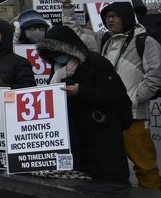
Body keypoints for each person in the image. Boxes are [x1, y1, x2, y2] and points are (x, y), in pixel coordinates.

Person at [36, 25, 132, 184]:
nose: (57, 57)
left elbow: (114, 96)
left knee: (111, 185)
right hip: (77, 137)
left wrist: (82, 92)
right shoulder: (58, 69)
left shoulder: (97, 63)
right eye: (52, 54)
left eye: (60, 53)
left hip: (102, 138)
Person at [94, 1, 161, 190]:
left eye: (114, 16)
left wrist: (132, 101)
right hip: (110, 116)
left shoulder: (145, 41)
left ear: (126, 17)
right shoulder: (106, 41)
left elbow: (157, 77)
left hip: (133, 116)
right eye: (107, 17)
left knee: (145, 167)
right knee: (113, 167)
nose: (110, 20)